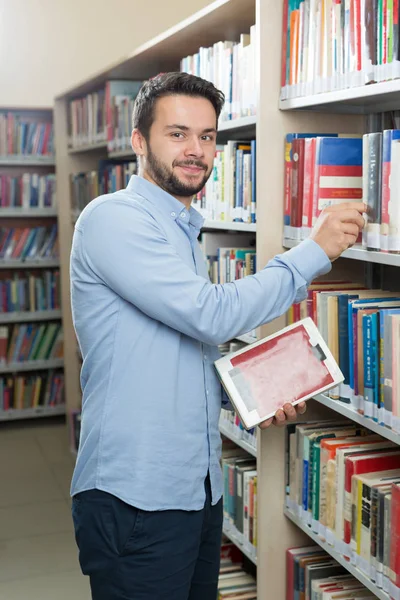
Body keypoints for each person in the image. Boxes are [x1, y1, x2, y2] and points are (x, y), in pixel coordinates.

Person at [70, 72, 365, 600]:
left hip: (196, 491)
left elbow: (175, 357)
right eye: (178, 134)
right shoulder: (113, 219)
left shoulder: (183, 229)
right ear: (139, 142)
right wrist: (314, 251)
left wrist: (252, 394)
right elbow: (209, 315)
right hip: (136, 496)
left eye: (207, 137)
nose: (196, 150)